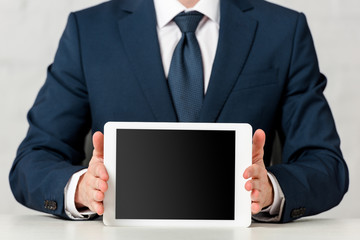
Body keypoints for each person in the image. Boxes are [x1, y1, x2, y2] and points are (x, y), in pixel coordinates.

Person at [9, 0, 349, 223]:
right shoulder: (90, 31)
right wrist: (82, 188)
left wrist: (271, 188)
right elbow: (34, 158)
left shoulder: (282, 31)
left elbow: (326, 164)